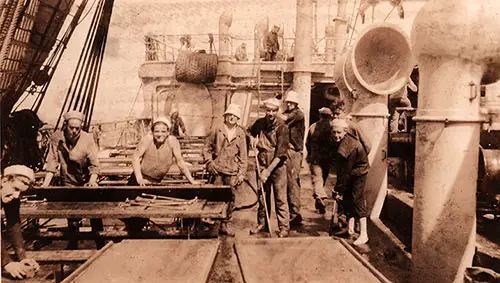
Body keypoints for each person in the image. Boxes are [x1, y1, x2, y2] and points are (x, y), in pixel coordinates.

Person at [122, 116, 198, 232]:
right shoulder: (147, 140)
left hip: (154, 182)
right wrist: (139, 178)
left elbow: (180, 161)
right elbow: (135, 157)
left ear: (168, 132)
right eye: (156, 131)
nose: (160, 134)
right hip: (139, 180)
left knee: (145, 213)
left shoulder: (172, 142)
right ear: (152, 132)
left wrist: (191, 180)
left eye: (163, 131)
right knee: (131, 213)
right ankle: (132, 236)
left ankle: (137, 235)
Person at [42, 111, 104, 250]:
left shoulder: (87, 138)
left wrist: (93, 180)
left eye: (78, 128)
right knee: (71, 212)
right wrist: (45, 185)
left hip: (86, 178)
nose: (75, 131)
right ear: (65, 125)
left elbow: (95, 164)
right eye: (72, 128)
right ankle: (73, 242)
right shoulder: (57, 138)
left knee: (95, 212)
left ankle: (100, 242)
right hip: (68, 179)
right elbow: (52, 162)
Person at [203, 104, 248, 236]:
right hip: (217, 169)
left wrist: (241, 174)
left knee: (230, 198)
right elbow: (206, 148)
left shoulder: (240, 133)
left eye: (235, 115)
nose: (232, 117)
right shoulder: (217, 129)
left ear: (238, 118)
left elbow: (243, 156)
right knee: (213, 196)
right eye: (230, 115)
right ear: (225, 116)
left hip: (232, 171)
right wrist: (209, 163)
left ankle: (225, 224)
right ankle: (209, 224)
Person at [248, 97, 290, 238]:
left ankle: (284, 227)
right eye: (268, 110)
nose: (271, 114)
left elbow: (281, 154)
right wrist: (252, 138)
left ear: (277, 111)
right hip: (262, 160)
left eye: (274, 111)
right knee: (262, 196)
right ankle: (262, 223)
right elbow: (249, 131)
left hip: (277, 165)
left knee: (280, 197)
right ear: (265, 110)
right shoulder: (260, 123)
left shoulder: (282, 127)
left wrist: (267, 171)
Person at [331, 119, 370, 245]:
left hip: (359, 172)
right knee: (347, 199)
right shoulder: (344, 140)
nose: (336, 135)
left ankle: (364, 234)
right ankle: (350, 230)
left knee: (357, 200)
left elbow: (345, 174)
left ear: (345, 132)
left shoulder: (349, 148)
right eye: (334, 132)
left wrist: (338, 190)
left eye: (339, 133)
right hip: (352, 170)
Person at [1, 165, 40, 279]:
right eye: (16, 189)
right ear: (4, 181)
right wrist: (6, 262)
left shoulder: (12, 197)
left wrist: (22, 257)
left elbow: (14, 224)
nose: (16, 195)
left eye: (21, 193)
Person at [280, 91, 305, 227]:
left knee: (293, 182)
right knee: (287, 183)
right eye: (287, 102)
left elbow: (282, 119)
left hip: (294, 152)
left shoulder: (297, 114)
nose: (288, 104)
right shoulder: (288, 113)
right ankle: (293, 213)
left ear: (296, 103)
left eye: (291, 102)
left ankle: (295, 214)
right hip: (288, 150)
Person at [305, 107, 335, 214]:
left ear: (320, 115)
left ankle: (319, 197)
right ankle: (320, 197)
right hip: (327, 157)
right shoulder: (332, 127)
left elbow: (307, 142)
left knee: (317, 178)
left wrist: (309, 154)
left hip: (315, 157)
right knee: (323, 177)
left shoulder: (313, 127)